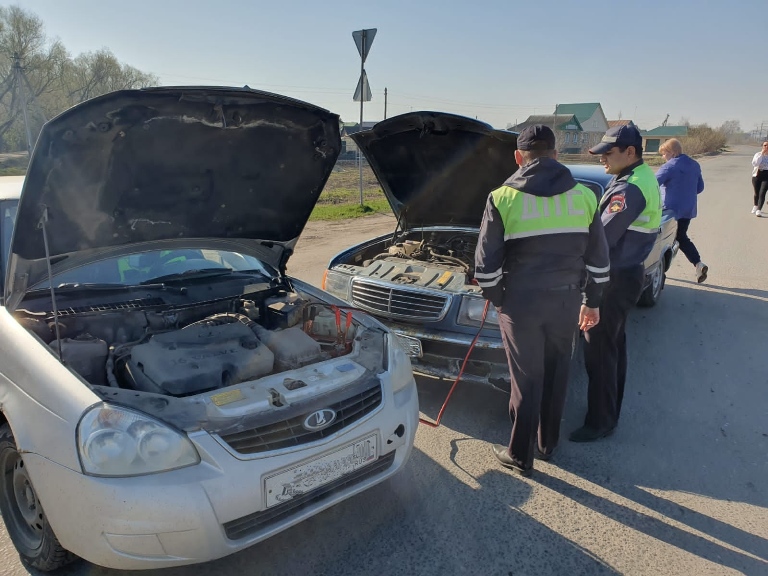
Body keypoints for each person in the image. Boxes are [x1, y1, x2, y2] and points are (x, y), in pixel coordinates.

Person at [474, 124, 610, 476]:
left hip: (521, 304)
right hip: (566, 302)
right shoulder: (584, 197)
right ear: (554, 154)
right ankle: (547, 444)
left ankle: (520, 456)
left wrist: (501, 299)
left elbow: (485, 268)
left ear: (519, 158)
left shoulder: (501, 197)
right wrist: (591, 302)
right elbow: (598, 262)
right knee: (557, 371)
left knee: (526, 378)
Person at [568, 124, 661, 443]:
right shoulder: (640, 177)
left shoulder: (628, 189)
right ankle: (610, 412)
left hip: (612, 280)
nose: (601, 159)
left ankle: (601, 421)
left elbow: (600, 243)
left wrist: (587, 295)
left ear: (630, 152)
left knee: (600, 353)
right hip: (627, 273)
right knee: (613, 347)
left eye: (608, 153)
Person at [656, 138, 707, 282]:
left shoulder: (669, 167)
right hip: (687, 209)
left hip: (669, 210)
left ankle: (659, 271)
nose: (663, 157)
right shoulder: (694, 165)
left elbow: (653, 184)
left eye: (664, 154)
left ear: (671, 152)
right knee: (680, 236)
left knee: (663, 238)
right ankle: (698, 264)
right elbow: (700, 188)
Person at [751, 141, 768, 217]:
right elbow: (755, 163)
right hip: (757, 175)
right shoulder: (758, 154)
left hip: (766, 175)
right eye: (765, 145)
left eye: (767, 146)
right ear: (762, 146)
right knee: (756, 193)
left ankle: (759, 210)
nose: (766, 147)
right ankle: (755, 205)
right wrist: (762, 154)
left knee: (762, 193)